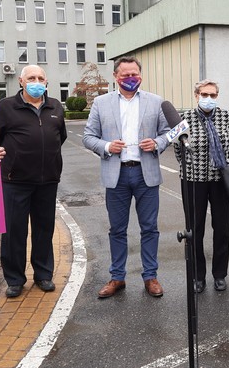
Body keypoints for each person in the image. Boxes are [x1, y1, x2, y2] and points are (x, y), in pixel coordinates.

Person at [83, 56, 171, 299]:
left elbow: (168, 133)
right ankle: (117, 277)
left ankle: (150, 276)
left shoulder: (156, 101)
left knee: (149, 228)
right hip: (116, 174)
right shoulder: (101, 103)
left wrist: (157, 143)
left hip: (146, 174)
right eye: (125, 75)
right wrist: (107, 146)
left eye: (135, 74)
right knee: (117, 229)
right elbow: (88, 137)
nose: (131, 78)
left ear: (140, 75)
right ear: (115, 77)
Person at [0, 65, 67, 298]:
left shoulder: (55, 106)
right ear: (21, 81)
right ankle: (15, 279)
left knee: (44, 229)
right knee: (14, 231)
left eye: (40, 78)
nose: (36, 82)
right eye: (31, 78)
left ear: (46, 82)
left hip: (48, 180)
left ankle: (43, 274)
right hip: (15, 180)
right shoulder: (5, 107)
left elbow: (60, 137)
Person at [173, 80, 229, 293]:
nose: (208, 98)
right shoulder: (184, 118)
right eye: (204, 94)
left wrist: (222, 163)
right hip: (193, 180)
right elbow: (178, 149)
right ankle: (198, 276)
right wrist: (193, 167)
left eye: (212, 95)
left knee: (222, 229)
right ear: (196, 95)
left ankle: (220, 275)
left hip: (221, 180)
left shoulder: (226, 116)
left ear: (217, 96)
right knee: (194, 230)